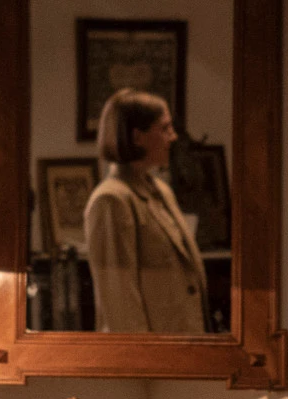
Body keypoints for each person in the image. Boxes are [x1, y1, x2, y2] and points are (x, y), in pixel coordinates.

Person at [83, 88, 207, 333]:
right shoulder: (111, 200)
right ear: (137, 137)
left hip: (183, 348)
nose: (172, 137)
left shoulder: (160, 190)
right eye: (164, 128)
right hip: (153, 359)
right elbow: (119, 302)